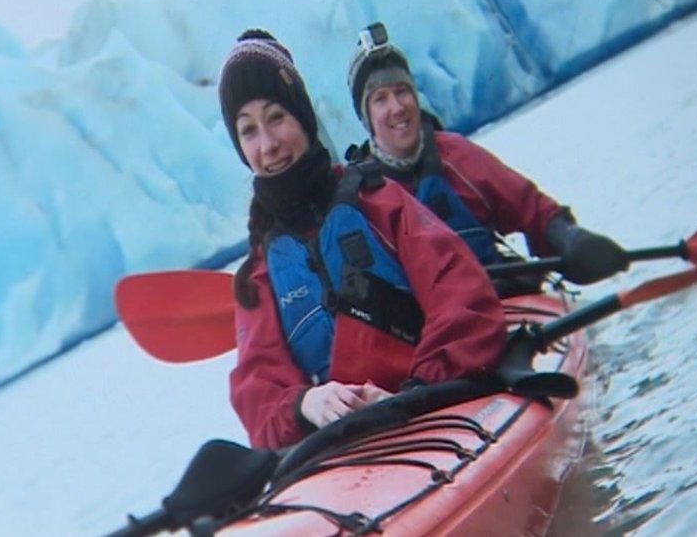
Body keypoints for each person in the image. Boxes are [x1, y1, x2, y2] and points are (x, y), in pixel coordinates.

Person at [218, 29, 508, 450]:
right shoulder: (257, 276)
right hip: (346, 449)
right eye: (248, 131)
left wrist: (416, 390)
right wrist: (305, 404)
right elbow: (259, 396)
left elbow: (464, 299)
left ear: (302, 117)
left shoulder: (379, 201)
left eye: (276, 117)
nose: (268, 144)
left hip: (433, 404)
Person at [346, 23, 629, 292]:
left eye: (402, 91)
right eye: (380, 99)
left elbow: (531, 207)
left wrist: (570, 238)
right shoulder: (363, 195)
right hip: (441, 329)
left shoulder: (454, 155)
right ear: (366, 117)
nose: (397, 107)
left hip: (506, 301)